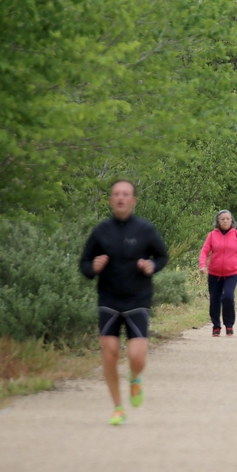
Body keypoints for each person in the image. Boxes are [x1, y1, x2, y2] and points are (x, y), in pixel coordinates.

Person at [80, 179, 168, 426]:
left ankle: (134, 378)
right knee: (109, 354)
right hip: (108, 299)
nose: (120, 198)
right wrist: (92, 267)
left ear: (133, 200)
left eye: (125, 194)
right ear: (111, 200)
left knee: (137, 357)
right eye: (116, 194)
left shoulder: (145, 230)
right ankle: (118, 407)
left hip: (138, 300)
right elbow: (84, 264)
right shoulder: (101, 231)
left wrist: (151, 265)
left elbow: (162, 256)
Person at [199, 210, 237, 337]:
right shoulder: (212, 235)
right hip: (214, 273)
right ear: (218, 221)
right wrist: (202, 265)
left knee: (228, 297)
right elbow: (204, 251)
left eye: (228, 219)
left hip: (232, 273)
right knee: (214, 300)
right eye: (222, 219)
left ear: (232, 221)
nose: (225, 221)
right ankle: (216, 326)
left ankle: (229, 325)